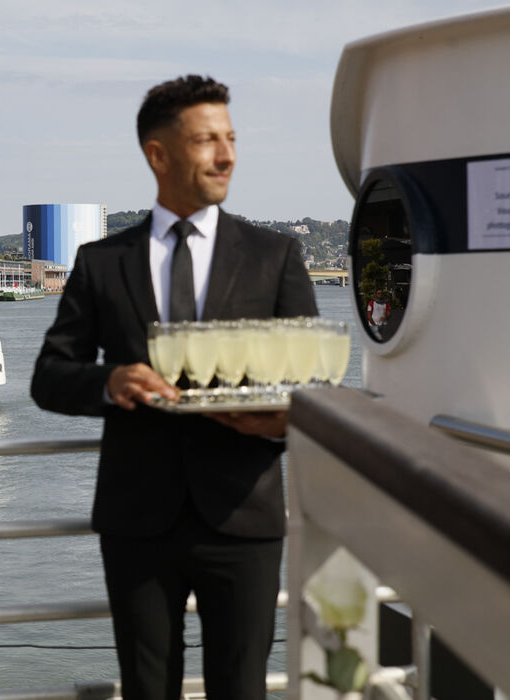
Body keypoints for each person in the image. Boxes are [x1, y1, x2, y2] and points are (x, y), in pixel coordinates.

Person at [31, 75, 317, 700]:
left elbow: (310, 384)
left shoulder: (277, 256)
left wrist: (280, 420)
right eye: (208, 139)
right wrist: (109, 380)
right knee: (146, 688)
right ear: (158, 154)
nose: (227, 154)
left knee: (242, 689)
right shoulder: (101, 262)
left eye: (232, 138)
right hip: (137, 517)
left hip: (245, 513)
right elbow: (49, 376)